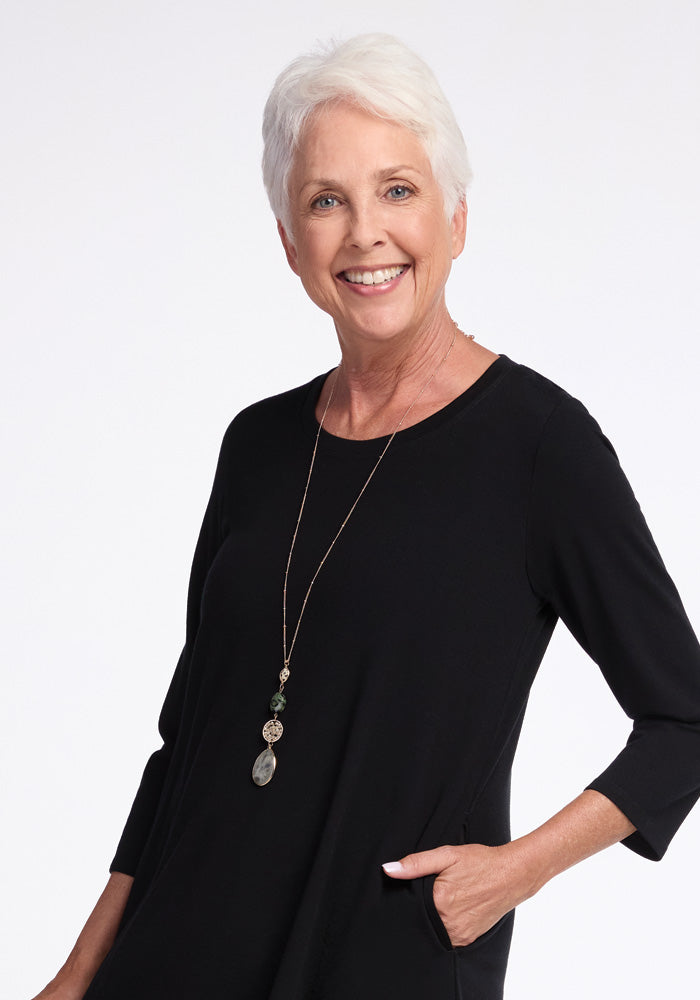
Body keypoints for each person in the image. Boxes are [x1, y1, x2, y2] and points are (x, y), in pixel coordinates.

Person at [32, 33, 700, 1000]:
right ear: (290, 243)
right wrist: (75, 975)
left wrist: (513, 873)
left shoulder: (540, 447)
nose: (364, 233)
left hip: (378, 963)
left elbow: (685, 716)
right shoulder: (256, 446)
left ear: (456, 219)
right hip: (173, 958)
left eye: (397, 190)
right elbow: (187, 747)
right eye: (325, 200)